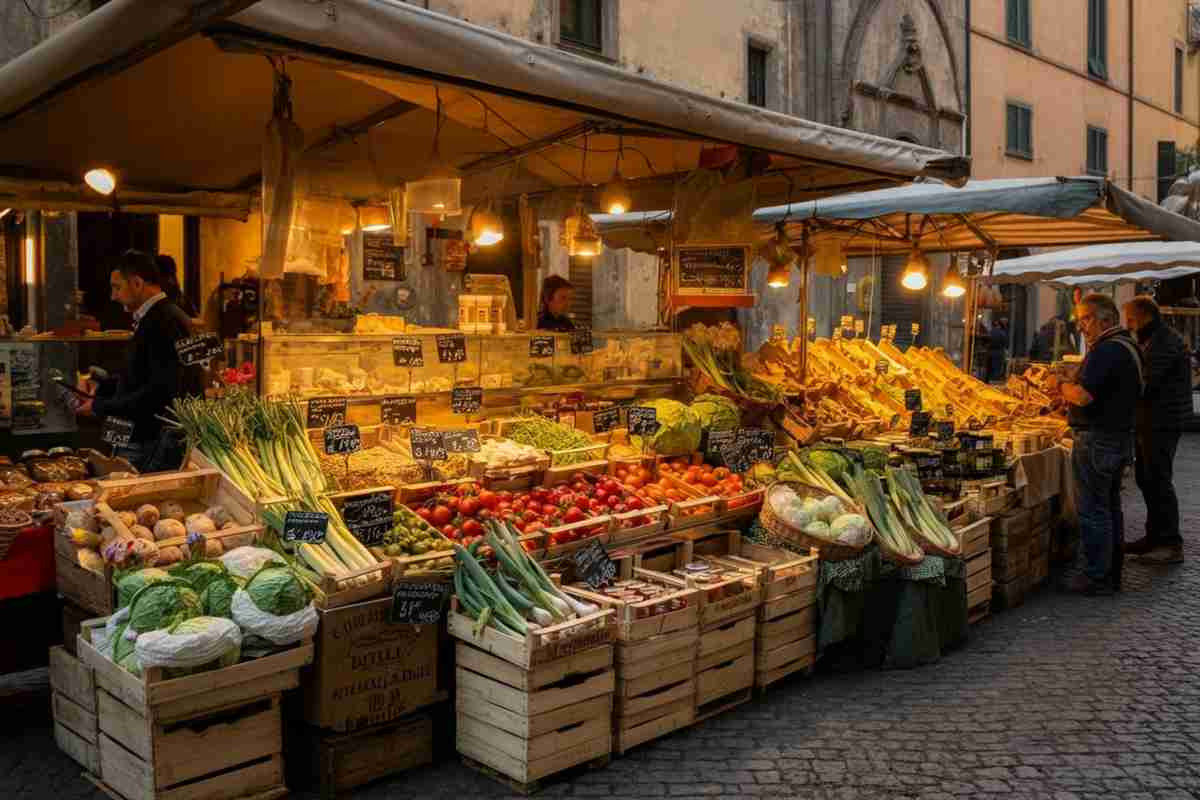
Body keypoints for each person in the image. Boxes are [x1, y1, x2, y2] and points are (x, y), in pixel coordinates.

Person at [78, 250, 205, 471]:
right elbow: (143, 374)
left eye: (117, 287)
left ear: (137, 283)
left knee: (137, 498)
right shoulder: (154, 317)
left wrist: (100, 406)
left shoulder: (166, 321)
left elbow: (161, 392)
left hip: (150, 440)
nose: (113, 296)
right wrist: (103, 385)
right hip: (134, 434)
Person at [1059, 293, 1143, 595]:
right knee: (1109, 507)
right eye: (1079, 319)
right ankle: (1110, 572)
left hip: (1097, 439)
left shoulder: (1107, 349)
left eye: (1086, 318)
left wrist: (1061, 385)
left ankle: (1095, 575)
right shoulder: (1128, 346)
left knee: (1093, 509)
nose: (1081, 326)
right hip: (1116, 437)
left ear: (1105, 318)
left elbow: (1083, 396)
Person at [1123, 296, 1190, 565]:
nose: (1128, 324)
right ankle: (1153, 537)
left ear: (1143, 316)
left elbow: (1147, 381)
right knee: (1146, 478)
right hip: (1150, 419)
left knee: (1159, 479)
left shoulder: (1164, 341)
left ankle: (1171, 544)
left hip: (1162, 420)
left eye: (1130, 319)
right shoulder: (1153, 338)